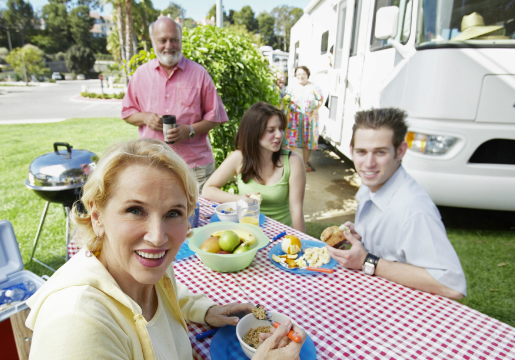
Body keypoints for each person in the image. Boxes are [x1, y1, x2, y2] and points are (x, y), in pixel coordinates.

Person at [25, 138, 306, 360]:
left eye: (173, 213)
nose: (158, 237)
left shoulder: (145, 272)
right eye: (135, 210)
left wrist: (205, 310)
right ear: (97, 217)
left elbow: (169, 294)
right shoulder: (78, 325)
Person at [325, 108, 467, 299]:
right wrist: (362, 233)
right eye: (361, 151)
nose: (368, 163)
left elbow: (452, 285)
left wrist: (367, 261)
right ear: (351, 150)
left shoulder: (414, 210)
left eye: (380, 152)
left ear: (400, 151)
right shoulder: (373, 183)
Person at [121, 17, 229, 191]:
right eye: (163, 40)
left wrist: (189, 130)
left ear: (181, 40)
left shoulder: (199, 74)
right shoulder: (140, 75)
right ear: (153, 41)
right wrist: (145, 117)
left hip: (195, 167)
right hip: (153, 164)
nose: (169, 46)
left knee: (199, 216)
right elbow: (127, 112)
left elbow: (216, 117)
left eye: (174, 40)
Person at [202, 102, 306, 232]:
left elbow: (296, 210)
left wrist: (302, 243)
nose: (279, 135)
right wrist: (240, 199)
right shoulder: (239, 157)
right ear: (254, 132)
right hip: (247, 232)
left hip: (281, 235)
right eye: (271, 130)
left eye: (281, 129)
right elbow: (207, 189)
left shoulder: (293, 161)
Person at [284, 66, 323, 173]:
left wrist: (315, 111)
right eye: (298, 74)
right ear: (296, 76)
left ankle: (304, 164)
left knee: (308, 141)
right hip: (294, 118)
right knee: (291, 141)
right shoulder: (291, 87)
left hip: (309, 119)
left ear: (307, 75)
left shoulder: (313, 86)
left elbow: (321, 99)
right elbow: (285, 100)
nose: (301, 76)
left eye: (303, 74)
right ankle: (289, 164)